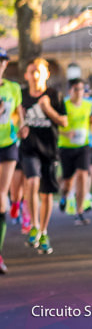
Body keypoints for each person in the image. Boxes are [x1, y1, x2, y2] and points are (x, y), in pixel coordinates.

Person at [19, 58, 67, 255]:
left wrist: (48, 110)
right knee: (32, 182)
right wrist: (19, 126)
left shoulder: (54, 95)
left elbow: (64, 122)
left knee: (46, 194)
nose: (35, 75)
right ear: (26, 75)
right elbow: (14, 120)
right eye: (32, 71)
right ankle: (34, 225)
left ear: (46, 74)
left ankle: (44, 231)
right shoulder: (21, 95)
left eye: (39, 71)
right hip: (29, 149)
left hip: (49, 150)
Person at [58, 78, 92, 225]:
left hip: (83, 146)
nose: (79, 92)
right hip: (66, 147)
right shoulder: (63, 105)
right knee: (68, 182)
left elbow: (91, 123)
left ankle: (79, 211)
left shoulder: (88, 105)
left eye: (82, 89)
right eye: (76, 89)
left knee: (82, 175)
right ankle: (64, 195)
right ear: (70, 91)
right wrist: (66, 134)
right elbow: (57, 126)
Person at [0, 47, 23, 273]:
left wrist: (22, 126)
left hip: (7, 144)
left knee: (1, 196)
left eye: (2, 61)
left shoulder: (13, 88)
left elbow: (17, 113)